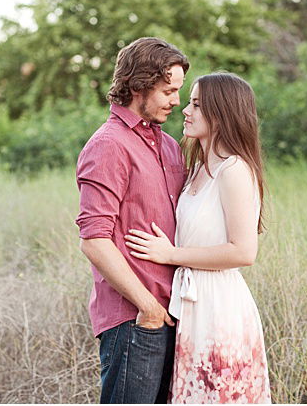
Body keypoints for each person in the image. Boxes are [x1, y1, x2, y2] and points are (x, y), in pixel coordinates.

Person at [124, 72, 272, 403]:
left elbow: (244, 252)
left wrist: (170, 254)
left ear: (221, 113)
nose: (185, 111)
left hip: (220, 306)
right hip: (192, 307)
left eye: (196, 104)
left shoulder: (234, 169)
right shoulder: (198, 168)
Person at [75, 37, 189, 403]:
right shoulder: (109, 145)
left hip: (175, 315)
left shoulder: (168, 145)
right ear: (140, 85)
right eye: (168, 90)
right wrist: (148, 307)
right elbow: (94, 240)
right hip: (135, 319)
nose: (176, 101)